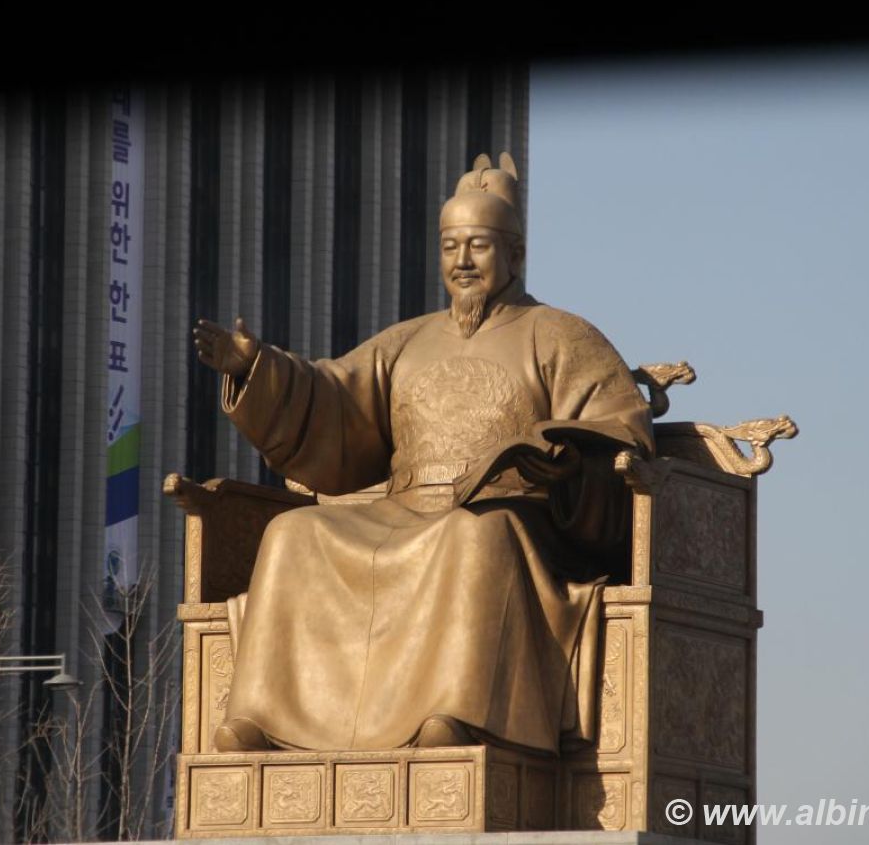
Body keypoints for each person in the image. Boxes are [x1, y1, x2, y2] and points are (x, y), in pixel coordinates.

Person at [192, 153, 653, 756]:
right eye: (450, 247)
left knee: (472, 536)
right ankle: (261, 716)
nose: (463, 261)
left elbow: (621, 429)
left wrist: (566, 461)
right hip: (404, 505)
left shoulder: (563, 336)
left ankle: (456, 715)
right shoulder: (407, 340)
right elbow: (334, 396)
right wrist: (258, 367)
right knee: (293, 533)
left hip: (517, 516)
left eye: (479, 246)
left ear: (514, 255)